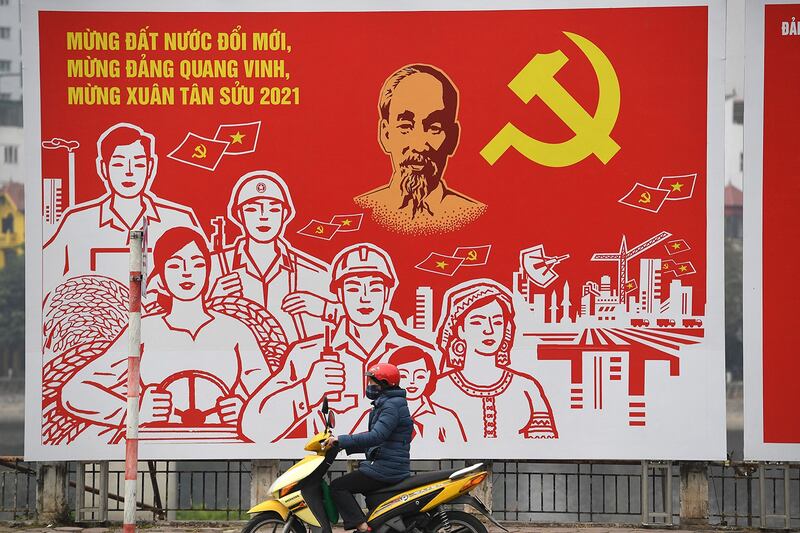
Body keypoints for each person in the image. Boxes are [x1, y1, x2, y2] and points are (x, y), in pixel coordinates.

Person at [60, 227, 270, 442]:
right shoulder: (144, 330)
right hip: (153, 440)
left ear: (208, 272)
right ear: (160, 274)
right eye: (175, 265)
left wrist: (246, 409)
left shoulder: (235, 331)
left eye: (197, 264)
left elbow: (271, 394)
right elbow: (75, 393)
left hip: (226, 441)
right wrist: (136, 412)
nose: (187, 272)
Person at [239, 243, 434, 443]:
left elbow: (442, 419)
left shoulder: (418, 354)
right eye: (353, 288)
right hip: (327, 462)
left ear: (387, 294)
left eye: (374, 288)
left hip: (392, 464)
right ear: (339, 294)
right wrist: (308, 389)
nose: (364, 298)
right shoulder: (308, 354)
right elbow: (253, 426)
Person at [43, 123, 200, 291]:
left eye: (139, 164)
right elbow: (45, 280)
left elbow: (207, 279)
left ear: (151, 167)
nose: (129, 172)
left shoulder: (180, 219)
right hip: (95, 315)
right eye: (119, 164)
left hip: (160, 317)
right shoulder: (76, 222)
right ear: (103, 168)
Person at [354, 64, 486, 235]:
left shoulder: (472, 216)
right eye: (405, 126)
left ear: (453, 139)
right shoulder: (361, 212)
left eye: (434, 128)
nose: (419, 145)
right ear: (385, 134)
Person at [209, 170, 339, 344]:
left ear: (285, 214)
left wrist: (325, 308)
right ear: (239, 215)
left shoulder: (315, 272)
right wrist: (211, 302)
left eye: (274, 208)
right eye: (252, 209)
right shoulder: (210, 267)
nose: (263, 216)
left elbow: (360, 321)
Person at [433, 279, 558, 440]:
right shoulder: (438, 389)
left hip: (516, 466)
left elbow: (545, 445)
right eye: (477, 322)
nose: (489, 330)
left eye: (498, 322)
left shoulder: (527, 388)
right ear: (460, 329)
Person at [323, 363, 413, 533]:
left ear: (385, 384)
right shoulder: (388, 403)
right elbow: (378, 440)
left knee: (338, 486)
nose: (369, 387)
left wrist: (341, 441)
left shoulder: (391, 406)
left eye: (373, 383)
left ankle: (361, 526)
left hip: (386, 469)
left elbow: (376, 436)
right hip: (386, 465)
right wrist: (342, 445)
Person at [387, 346, 466, 444]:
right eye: (403, 376)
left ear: (428, 376)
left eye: (420, 376)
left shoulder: (446, 417)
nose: (412, 381)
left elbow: (458, 447)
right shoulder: (377, 413)